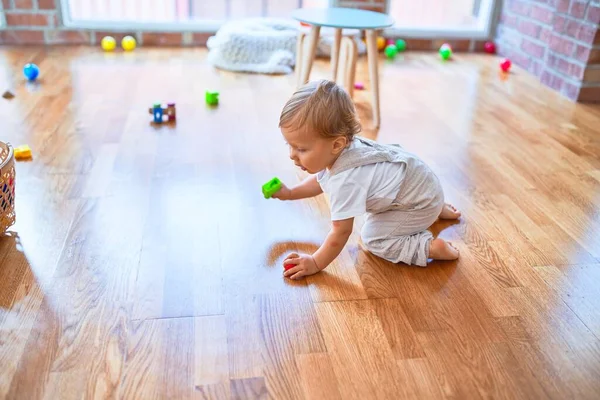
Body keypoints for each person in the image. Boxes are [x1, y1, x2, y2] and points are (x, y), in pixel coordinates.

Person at [271, 80, 460, 280]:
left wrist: (316, 262)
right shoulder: (344, 149)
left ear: (337, 144)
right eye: (290, 145)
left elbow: (341, 232)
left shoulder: (346, 180)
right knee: (410, 195)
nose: (292, 155)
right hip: (422, 183)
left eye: (301, 149)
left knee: (372, 238)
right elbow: (320, 180)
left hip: (418, 202)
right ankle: (436, 206)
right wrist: (291, 193)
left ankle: (429, 247)